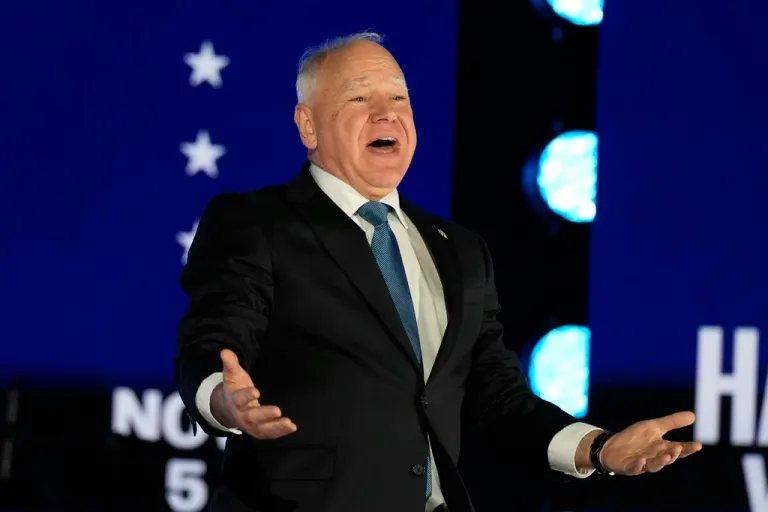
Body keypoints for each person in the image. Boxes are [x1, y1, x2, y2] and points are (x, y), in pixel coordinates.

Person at [175, 32, 702, 512]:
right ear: (307, 124)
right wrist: (224, 398)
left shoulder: (459, 249)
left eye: (399, 99)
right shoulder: (257, 222)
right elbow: (215, 336)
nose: (387, 115)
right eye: (360, 98)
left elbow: (497, 397)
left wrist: (599, 448)